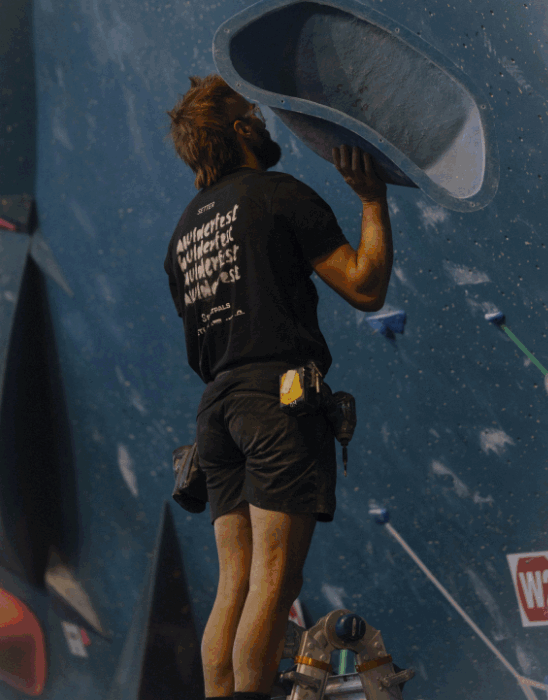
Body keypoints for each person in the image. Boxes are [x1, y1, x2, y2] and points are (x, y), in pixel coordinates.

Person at [163, 74, 392, 700]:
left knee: (234, 583)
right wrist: (372, 199)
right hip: (276, 401)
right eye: (253, 113)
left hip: (217, 409)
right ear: (239, 131)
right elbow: (365, 285)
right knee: (272, 581)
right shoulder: (277, 195)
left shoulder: (184, 234)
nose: (263, 119)